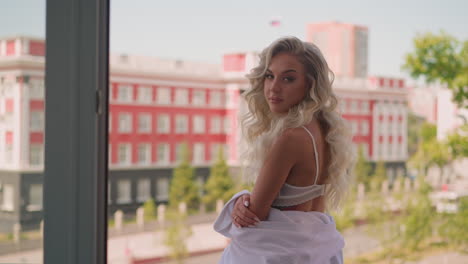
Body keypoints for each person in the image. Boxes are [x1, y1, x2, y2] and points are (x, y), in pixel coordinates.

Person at [213, 36, 355, 264]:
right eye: (269, 76)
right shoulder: (325, 129)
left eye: (288, 78)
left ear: (309, 84)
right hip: (316, 250)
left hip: (279, 254)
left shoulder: (290, 138)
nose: (273, 87)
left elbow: (253, 215)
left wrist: (241, 200)